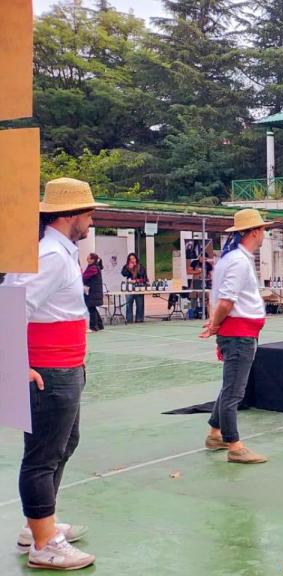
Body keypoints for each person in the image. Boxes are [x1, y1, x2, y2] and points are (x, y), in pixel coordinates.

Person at [3, 177, 105, 570]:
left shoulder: (57, 253)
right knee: (43, 455)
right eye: (89, 212)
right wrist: (15, 365)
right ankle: (44, 542)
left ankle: (38, 524)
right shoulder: (51, 255)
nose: (92, 220)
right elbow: (12, 306)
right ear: (71, 215)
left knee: (63, 444)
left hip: (64, 364)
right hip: (49, 368)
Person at [199, 209, 273, 464]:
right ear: (254, 232)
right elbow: (227, 300)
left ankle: (216, 432)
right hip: (239, 333)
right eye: (262, 229)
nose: (263, 233)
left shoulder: (229, 259)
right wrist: (215, 324)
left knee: (230, 385)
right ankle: (234, 444)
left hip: (237, 331)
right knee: (234, 391)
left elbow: (219, 297)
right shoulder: (239, 261)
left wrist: (215, 324)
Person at [121, 252, 148, 322]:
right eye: (130, 259)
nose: (132, 260)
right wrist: (128, 269)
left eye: (133, 258)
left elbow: (144, 277)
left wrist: (136, 279)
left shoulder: (140, 266)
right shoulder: (126, 267)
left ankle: (139, 319)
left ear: (136, 259)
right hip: (129, 287)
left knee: (140, 304)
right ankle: (129, 319)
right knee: (129, 304)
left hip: (139, 286)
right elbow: (123, 274)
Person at [82, 253, 104, 332]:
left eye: (88, 258)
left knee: (91, 308)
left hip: (93, 292)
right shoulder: (94, 267)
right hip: (94, 291)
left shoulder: (93, 268)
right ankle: (99, 325)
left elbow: (85, 277)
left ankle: (93, 327)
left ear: (93, 260)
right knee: (93, 308)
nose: (87, 260)